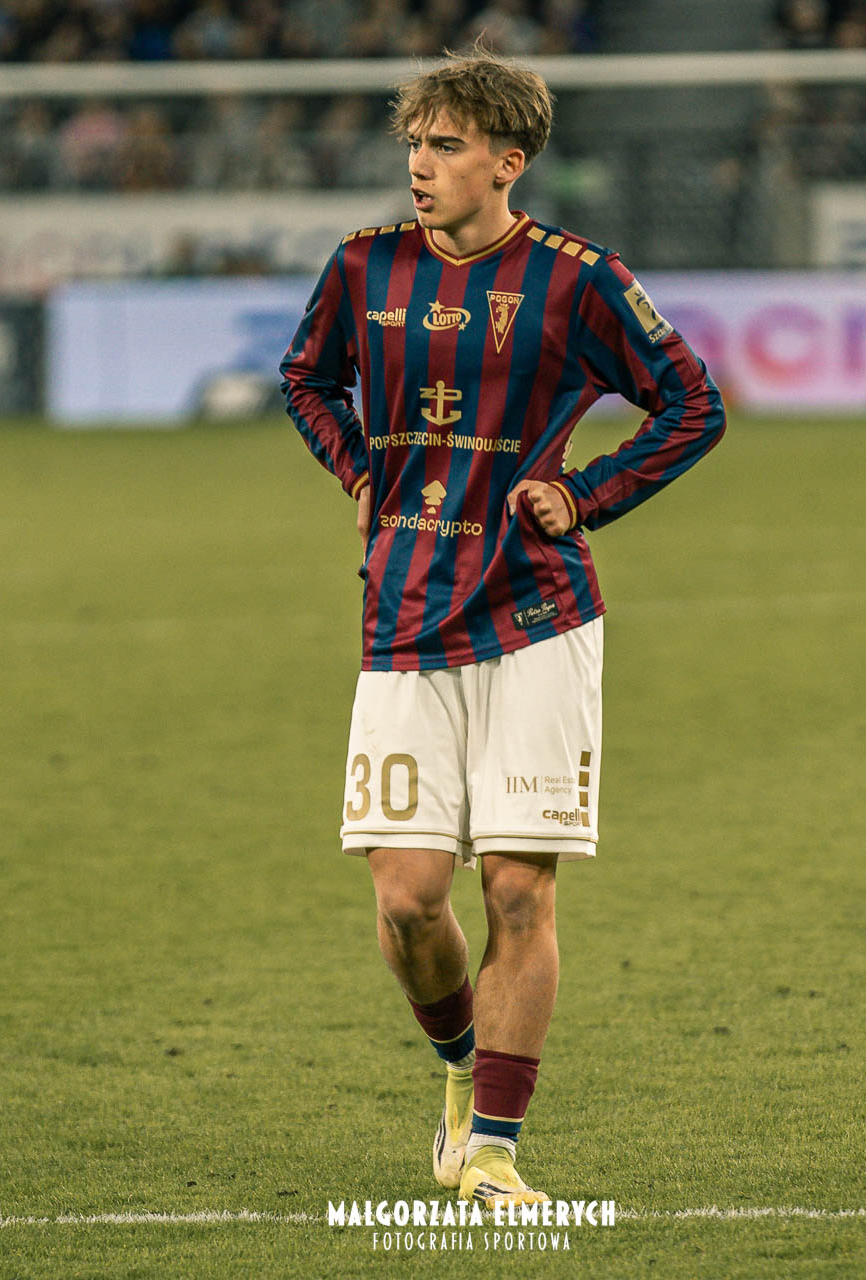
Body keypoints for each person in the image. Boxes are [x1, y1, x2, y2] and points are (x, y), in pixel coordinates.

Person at [279, 47, 724, 1208]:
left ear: (508, 162)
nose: (420, 166)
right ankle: (459, 1062)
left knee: (520, 892)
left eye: (446, 146)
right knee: (407, 897)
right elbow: (307, 379)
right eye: (414, 144)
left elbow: (693, 401)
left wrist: (588, 493)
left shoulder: (579, 280)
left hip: (537, 613)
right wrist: (357, 470)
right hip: (405, 609)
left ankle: (491, 1150)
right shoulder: (365, 266)